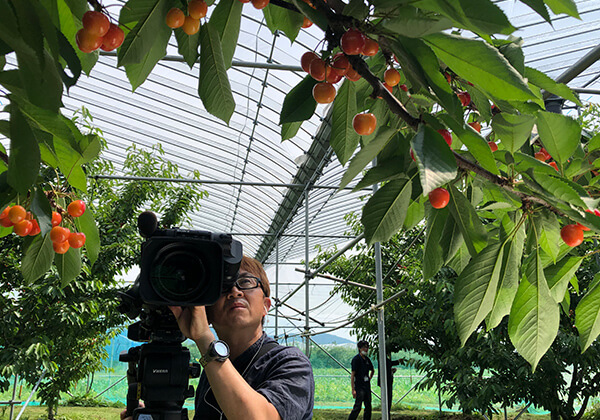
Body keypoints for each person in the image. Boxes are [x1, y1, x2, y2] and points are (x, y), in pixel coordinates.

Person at [121, 255, 315, 420]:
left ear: (266, 305)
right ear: (208, 311)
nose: (235, 291)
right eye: (222, 287)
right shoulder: (213, 369)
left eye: (246, 282)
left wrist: (205, 339)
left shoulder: (289, 362)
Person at [347, 340, 374, 420]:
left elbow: (372, 370)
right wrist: (353, 389)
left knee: (368, 406)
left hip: (366, 386)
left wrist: (369, 378)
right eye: (363, 347)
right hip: (359, 386)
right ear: (359, 348)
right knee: (358, 406)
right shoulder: (356, 359)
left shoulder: (367, 359)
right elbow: (353, 375)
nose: (366, 349)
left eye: (367, 347)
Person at [377, 353, 400, 418]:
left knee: (388, 398)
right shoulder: (383, 359)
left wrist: (391, 371)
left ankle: (387, 414)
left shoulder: (383, 360)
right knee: (387, 398)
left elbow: (386, 368)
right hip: (385, 382)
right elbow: (389, 363)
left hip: (388, 381)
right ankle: (386, 414)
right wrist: (398, 361)